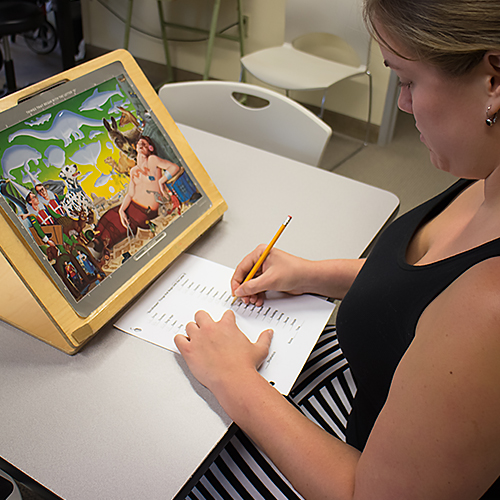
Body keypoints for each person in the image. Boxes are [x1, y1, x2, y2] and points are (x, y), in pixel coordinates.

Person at [174, 0, 500, 498]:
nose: (402, 104)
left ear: (494, 80)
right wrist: (313, 273)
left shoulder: (490, 309)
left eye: (408, 81)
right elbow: (427, 286)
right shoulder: (487, 173)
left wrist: (234, 380)